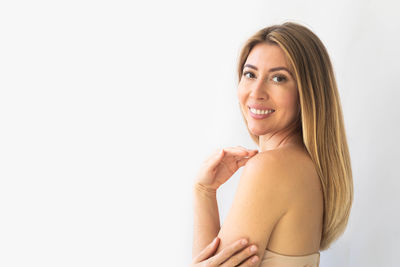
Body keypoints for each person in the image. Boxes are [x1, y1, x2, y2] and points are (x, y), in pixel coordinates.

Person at [192, 22, 353, 267]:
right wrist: (205, 192)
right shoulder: (305, 165)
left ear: (306, 93)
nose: (256, 92)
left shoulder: (270, 168)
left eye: (278, 78)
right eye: (250, 74)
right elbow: (213, 261)